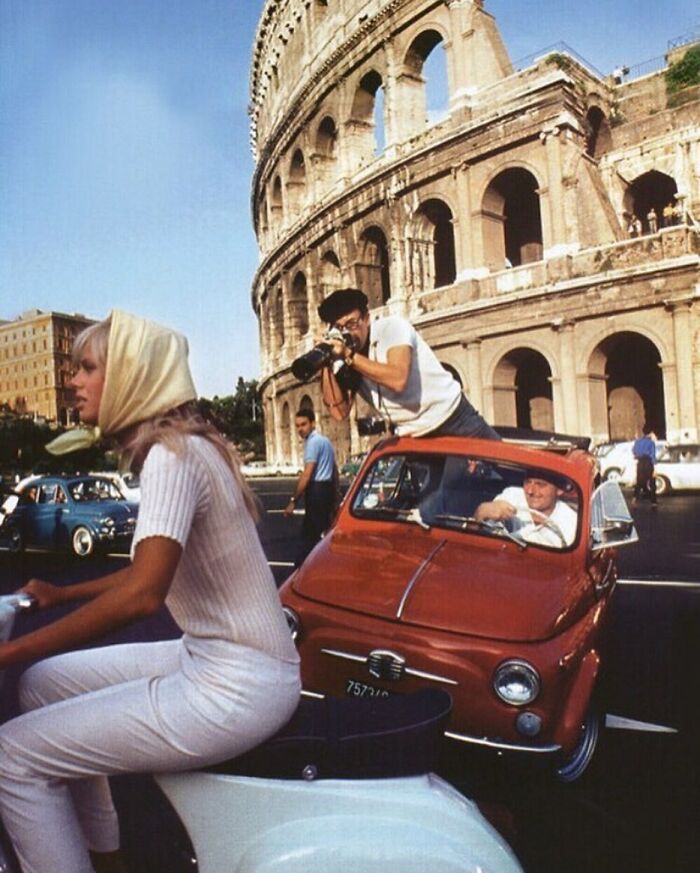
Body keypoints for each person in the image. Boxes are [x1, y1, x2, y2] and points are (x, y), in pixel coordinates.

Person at [0, 310, 300, 873]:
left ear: (133, 376)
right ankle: (103, 851)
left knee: (10, 758)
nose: (73, 379)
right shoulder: (186, 446)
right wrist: (63, 596)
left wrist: (9, 653)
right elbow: (150, 572)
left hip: (234, 686)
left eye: (88, 367)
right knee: (42, 685)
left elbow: (143, 595)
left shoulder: (170, 457)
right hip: (224, 661)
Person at [317, 288, 499, 440]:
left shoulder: (392, 328)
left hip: (453, 418)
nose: (347, 332)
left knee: (506, 472)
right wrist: (325, 361)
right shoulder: (345, 357)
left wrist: (349, 355)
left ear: (367, 318)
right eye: (339, 327)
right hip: (413, 435)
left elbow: (398, 379)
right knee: (436, 485)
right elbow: (339, 412)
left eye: (352, 323)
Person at [283, 408, 337, 566]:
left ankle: (300, 572)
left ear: (313, 423)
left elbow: (307, 474)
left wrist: (294, 500)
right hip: (326, 490)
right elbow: (334, 471)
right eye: (297, 425)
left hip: (316, 492)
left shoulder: (312, 443)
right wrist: (334, 496)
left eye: (303, 424)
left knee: (309, 538)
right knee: (323, 535)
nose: (300, 429)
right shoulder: (325, 441)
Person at [474, 470, 578, 548]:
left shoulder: (571, 523)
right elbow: (480, 535)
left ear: (559, 490)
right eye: (528, 482)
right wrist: (481, 511)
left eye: (540, 485)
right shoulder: (512, 496)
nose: (530, 491)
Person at [632, 426, 658, 506]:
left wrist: (638, 455)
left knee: (639, 481)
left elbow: (634, 451)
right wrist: (655, 468)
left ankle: (635, 498)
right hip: (648, 462)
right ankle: (653, 501)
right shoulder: (651, 443)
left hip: (640, 462)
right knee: (652, 482)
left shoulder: (637, 441)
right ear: (650, 433)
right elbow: (653, 455)